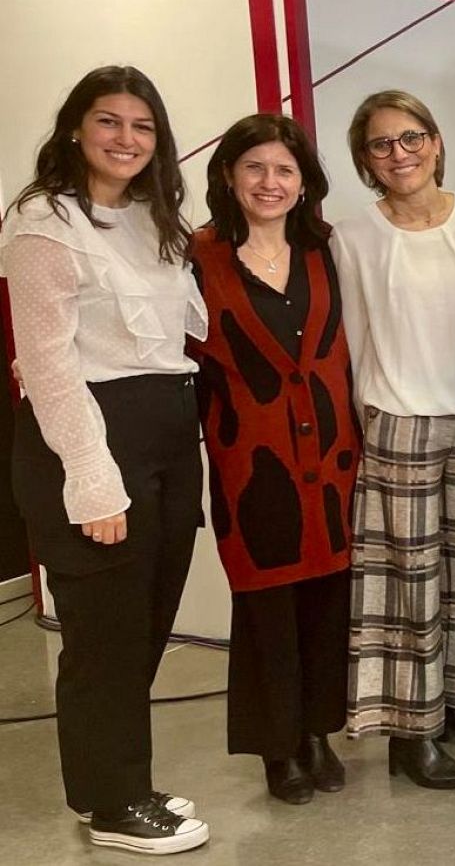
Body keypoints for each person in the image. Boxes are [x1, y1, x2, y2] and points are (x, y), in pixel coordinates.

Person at [1, 65, 210, 854]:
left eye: (142, 126)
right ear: (76, 131)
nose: (126, 139)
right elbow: (48, 366)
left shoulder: (156, 218)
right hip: (88, 436)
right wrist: (92, 478)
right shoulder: (44, 223)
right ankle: (114, 806)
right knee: (103, 634)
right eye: (108, 123)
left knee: (148, 622)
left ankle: (116, 782)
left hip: (163, 429)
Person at [335, 90, 455, 789]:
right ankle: (413, 733)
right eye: (381, 145)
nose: (399, 153)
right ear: (365, 161)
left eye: (411, 137)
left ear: (436, 142)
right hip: (400, 424)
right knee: (410, 587)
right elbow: (353, 341)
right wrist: (367, 426)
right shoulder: (352, 237)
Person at [188, 113, 359, 806]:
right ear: (229, 175)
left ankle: (318, 732)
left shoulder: (324, 249)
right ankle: (277, 747)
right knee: (265, 603)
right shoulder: (198, 256)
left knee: (325, 598)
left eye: (284, 170)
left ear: (303, 182)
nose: (270, 182)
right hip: (249, 459)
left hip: (332, 455)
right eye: (254, 167)